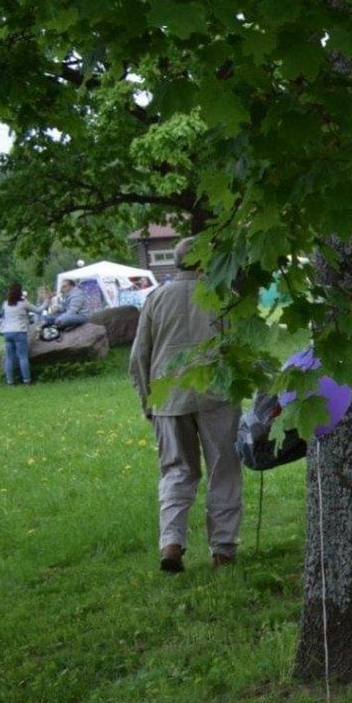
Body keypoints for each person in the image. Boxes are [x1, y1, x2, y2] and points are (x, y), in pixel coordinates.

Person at [129, 239, 242, 572]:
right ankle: (222, 549)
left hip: (168, 397)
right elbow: (238, 349)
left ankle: (171, 543)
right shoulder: (222, 297)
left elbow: (138, 357)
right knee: (224, 471)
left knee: (176, 472)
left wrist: (148, 400)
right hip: (216, 395)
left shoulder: (156, 299)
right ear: (202, 262)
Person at [0, 283, 35, 385]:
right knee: (23, 357)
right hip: (19, 331)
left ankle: (10, 381)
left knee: (10, 357)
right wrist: (47, 301)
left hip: (7, 332)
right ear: (20, 292)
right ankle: (26, 380)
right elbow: (38, 310)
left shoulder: (5, 303)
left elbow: (1, 314)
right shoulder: (23, 303)